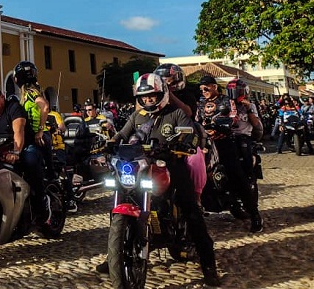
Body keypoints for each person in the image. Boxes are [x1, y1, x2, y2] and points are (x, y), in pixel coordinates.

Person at [107, 74, 221, 286]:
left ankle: (209, 265)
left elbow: (191, 134)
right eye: (145, 97)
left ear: (162, 94)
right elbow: (122, 134)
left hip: (171, 165)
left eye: (153, 96)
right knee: (119, 196)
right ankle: (114, 254)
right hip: (141, 166)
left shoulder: (176, 113)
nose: (149, 100)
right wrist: (109, 142)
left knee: (192, 211)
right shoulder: (137, 116)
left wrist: (186, 142)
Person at [0, 85, 50, 223]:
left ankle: (41, 203)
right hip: (0, 150)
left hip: (24, 146)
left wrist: (16, 152)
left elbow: (19, 130)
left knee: (30, 161)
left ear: (2, 97)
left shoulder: (14, 108)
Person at [199, 75, 263, 233]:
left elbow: (233, 118)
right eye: (201, 89)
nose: (204, 91)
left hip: (225, 142)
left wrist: (220, 126)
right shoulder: (200, 103)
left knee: (237, 176)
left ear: (214, 86)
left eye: (206, 87)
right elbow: (197, 119)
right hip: (207, 142)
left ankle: (255, 215)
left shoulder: (228, 101)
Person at [155, 63, 206, 207]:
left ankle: (196, 196)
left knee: (195, 159)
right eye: (162, 80)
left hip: (185, 135)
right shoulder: (155, 96)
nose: (166, 83)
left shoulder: (187, 95)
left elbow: (188, 112)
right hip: (161, 135)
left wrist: (169, 94)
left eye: (169, 80)